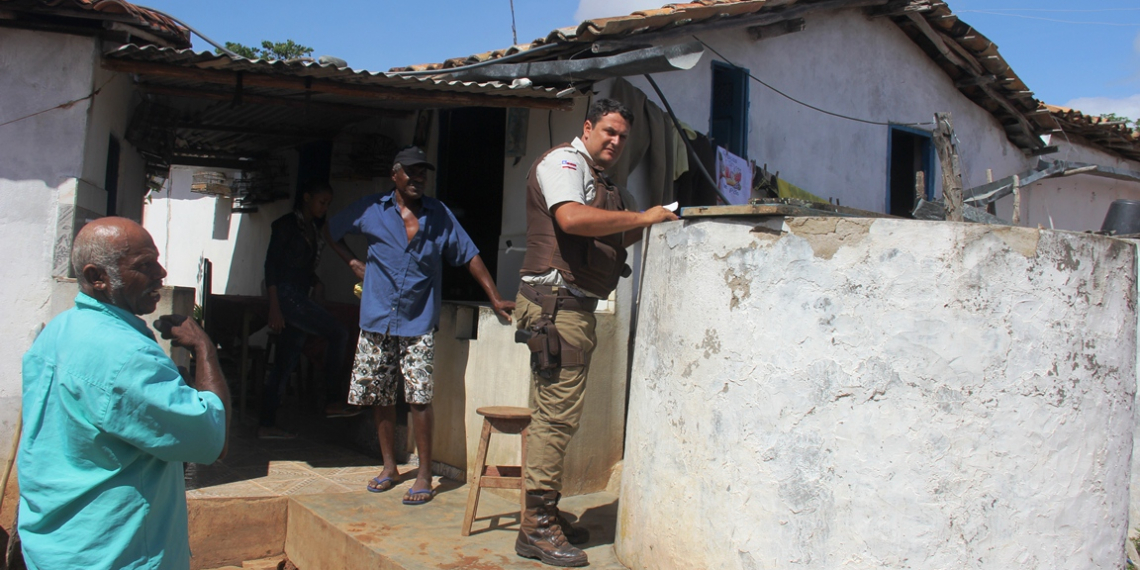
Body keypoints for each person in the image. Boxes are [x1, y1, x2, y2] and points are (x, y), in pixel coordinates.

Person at [513, 98, 677, 567]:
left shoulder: (603, 181)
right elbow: (571, 219)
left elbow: (608, 235)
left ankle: (543, 513)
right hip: (556, 305)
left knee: (557, 413)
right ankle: (536, 528)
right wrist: (642, 216)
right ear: (587, 128)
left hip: (569, 307)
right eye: (608, 131)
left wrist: (654, 221)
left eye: (623, 136)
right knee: (556, 417)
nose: (616, 141)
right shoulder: (564, 163)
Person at [18, 217, 229, 570]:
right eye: (143, 266)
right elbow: (213, 441)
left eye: (156, 260)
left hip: (54, 546)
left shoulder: (57, 332)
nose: (160, 273)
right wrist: (204, 348)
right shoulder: (127, 357)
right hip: (116, 555)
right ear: (96, 277)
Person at [324, 145, 514, 506]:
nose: (418, 178)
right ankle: (389, 467)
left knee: (419, 398)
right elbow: (330, 230)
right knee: (379, 396)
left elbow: (469, 253)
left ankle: (424, 473)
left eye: (423, 172)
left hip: (418, 320)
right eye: (410, 172)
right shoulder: (370, 209)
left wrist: (493, 295)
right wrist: (351, 262)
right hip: (376, 317)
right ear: (394, 175)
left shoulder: (438, 215)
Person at [261, 181, 354, 439]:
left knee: (286, 361)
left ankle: (266, 423)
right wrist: (275, 307)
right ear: (307, 198)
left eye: (328, 204)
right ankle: (333, 399)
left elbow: (302, 268)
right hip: (287, 296)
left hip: (298, 294)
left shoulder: (315, 228)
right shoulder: (286, 225)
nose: (325, 208)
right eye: (321, 202)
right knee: (338, 333)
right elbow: (272, 267)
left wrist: (317, 282)